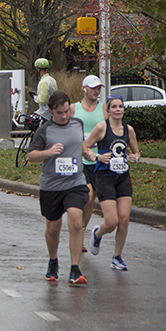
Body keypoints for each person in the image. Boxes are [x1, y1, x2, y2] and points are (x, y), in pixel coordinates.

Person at [26, 91, 91, 285]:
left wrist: (87, 152)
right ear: (51, 111)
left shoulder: (77, 123)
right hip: (52, 185)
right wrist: (48, 152)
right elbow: (30, 156)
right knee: (53, 228)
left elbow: (80, 143)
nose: (64, 116)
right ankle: (53, 261)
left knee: (76, 222)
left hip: (75, 182)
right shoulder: (45, 130)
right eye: (59, 113)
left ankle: (75, 269)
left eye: (66, 112)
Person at [84, 95, 141, 271]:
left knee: (124, 220)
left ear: (124, 109)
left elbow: (137, 152)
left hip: (122, 177)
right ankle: (97, 233)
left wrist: (135, 157)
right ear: (108, 110)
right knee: (111, 221)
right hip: (104, 177)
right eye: (114, 107)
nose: (117, 109)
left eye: (120, 106)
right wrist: (97, 156)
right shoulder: (102, 127)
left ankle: (117, 257)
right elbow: (85, 146)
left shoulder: (128, 130)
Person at [71, 74, 106, 251]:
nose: (96, 91)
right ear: (84, 88)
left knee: (92, 201)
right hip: (80, 158)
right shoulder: (73, 108)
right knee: (88, 195)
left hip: (100, 159)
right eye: (93, 88)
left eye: (99, 88)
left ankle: (82, 231)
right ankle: (78, 232)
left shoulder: (104, 109)